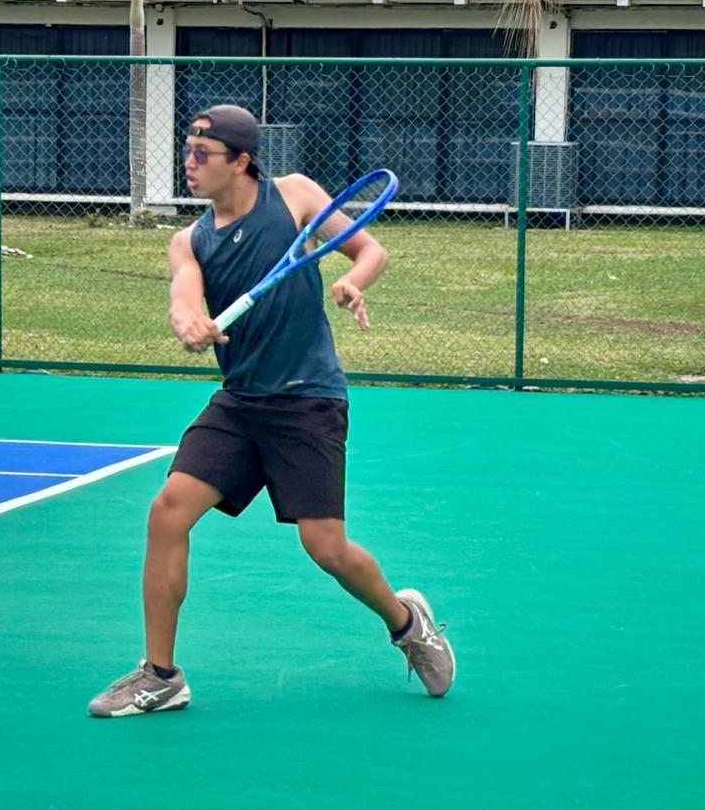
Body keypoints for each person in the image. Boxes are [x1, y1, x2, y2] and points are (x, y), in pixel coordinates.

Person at [88, 105, 453, 718]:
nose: (189, 164)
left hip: (308, 399)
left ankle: (407, 622)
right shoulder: (190, 239)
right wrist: (188, 323)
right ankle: (161, 676)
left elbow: (369, 250)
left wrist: (354, 281)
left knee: (325, 547)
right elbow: (183, 297)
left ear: (241, 159)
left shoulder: (295, 196)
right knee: (167, 512)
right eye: (186, 152)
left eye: (203, 154)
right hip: (240, 403)